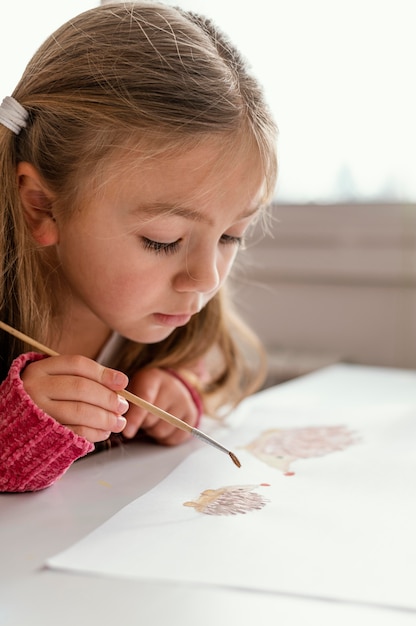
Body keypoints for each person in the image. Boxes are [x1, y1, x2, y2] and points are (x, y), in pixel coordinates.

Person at [0, 2, 277, 492]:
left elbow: (205, 369)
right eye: (162, 239)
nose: (208, 277)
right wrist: (12, 439)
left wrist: (180, 391)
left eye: (232, 235)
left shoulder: (160, 325)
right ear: (42, 206)